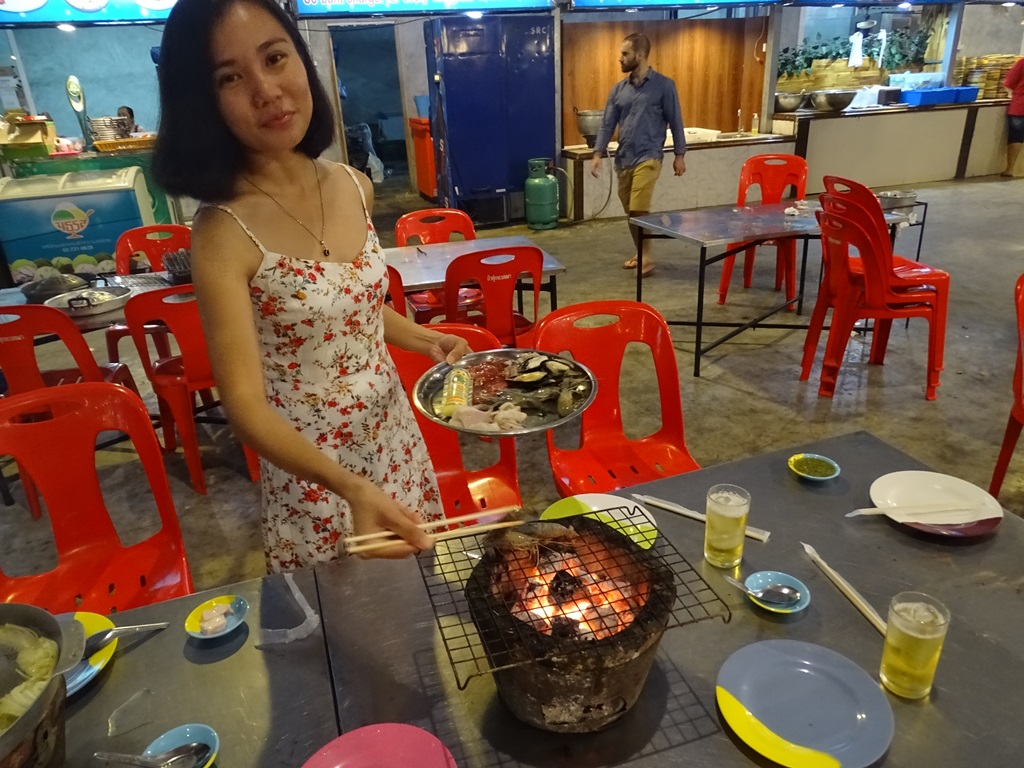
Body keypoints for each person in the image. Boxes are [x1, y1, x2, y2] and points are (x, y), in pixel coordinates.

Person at [152, 0, 470, 571]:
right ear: (202, 101)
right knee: (345, 632)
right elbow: (244, 406)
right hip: (316, 474)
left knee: (415, 606)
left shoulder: (353, 185)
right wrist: (348, 488)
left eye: (275, 58)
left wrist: (426, 341)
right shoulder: (223, 231)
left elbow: (355, 311)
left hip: (393, 438)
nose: (267, 91)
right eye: (231, 77)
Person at [590, 33, 687, 277]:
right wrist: (597, 153)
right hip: (624, 158)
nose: (619, 59)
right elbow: (607, 124)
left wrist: (679, 154)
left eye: (625, 54)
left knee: (638, 208)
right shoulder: (618, 90)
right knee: (632, 213)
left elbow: (676, 120)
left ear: (640, 54)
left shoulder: (664, 86)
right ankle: (642, 252)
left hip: (649, 155)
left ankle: (646, 257)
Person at [1002, 57, 1024, 178]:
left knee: (1016, 138)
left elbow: (1008, 83)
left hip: (1020, 106)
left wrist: (1010, 94)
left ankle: (1010, 169)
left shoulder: (1022, 63)